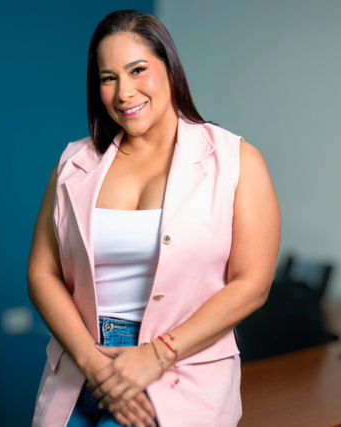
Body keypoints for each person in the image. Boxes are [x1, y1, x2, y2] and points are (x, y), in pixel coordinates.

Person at [27, 9, 280, 427]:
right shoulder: (73, 163)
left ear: (169, 67)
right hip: (81, 368)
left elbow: (252, 284)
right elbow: (42, 273)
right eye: (108, 78)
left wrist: (157, 354)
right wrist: (94, 363)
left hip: (181, 371)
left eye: (137, 70)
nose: (124, 93)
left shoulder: (237, 161)